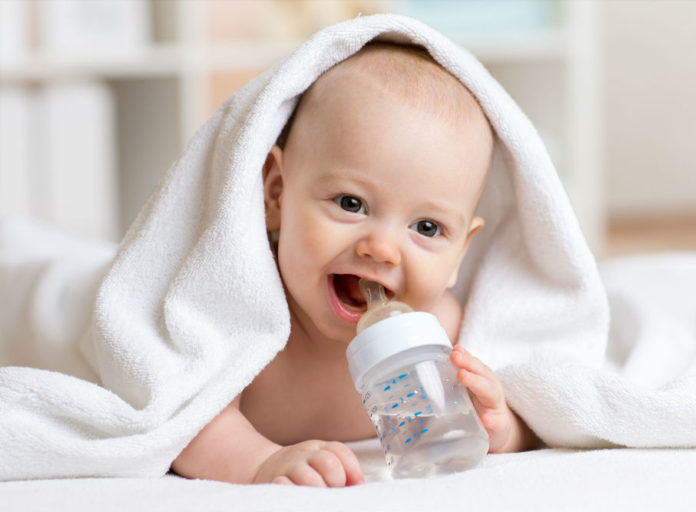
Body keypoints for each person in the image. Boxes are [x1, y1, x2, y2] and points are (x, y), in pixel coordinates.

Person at [171, 42, 537, 487]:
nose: (381, 248)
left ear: (460, 251)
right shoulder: (240, 314)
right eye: (351, 203)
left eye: (426, 227)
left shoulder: (445, 337)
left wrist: (505, 428)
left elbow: (509, 413)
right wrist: (260, 462)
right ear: (275, 194)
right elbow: (185, 418)